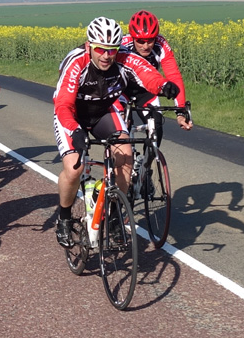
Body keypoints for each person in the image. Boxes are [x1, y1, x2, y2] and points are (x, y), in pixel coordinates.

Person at [53, 16, 180, 248]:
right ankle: (64, 217)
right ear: (89, 46)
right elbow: (63, 105)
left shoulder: (123, 58)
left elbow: (146, 73)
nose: (106, 56)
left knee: (126, 155)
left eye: (112, 50)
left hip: (104, 112)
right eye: (101, 49)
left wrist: (162, 86)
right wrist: (75, 130)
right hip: (72, 115)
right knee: (74, 168)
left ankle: (113, 213)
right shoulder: (76, 62)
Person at [121, 10, 193, 134]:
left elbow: (174, 76)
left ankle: (152, 147)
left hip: (146, 89)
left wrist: (180, 112)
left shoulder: (161, 45)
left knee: (156, 126)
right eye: (140, 41)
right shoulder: (123, 45)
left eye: (150, 40)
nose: (145, 46)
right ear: (132, 37)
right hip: (121, 89)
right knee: (122, 126)